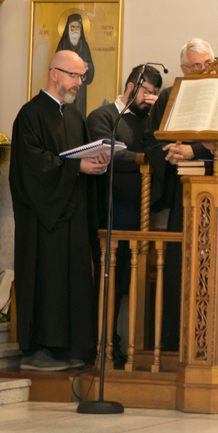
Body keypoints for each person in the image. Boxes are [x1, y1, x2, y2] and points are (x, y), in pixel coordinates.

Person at [10, 50, 110, 372]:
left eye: (82, 76)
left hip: (72, 218)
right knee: (46, 279)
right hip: (44, 221)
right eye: (74, 75)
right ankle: (39, 349)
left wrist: (95, 163)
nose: (79, 83)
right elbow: (33, 166)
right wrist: (74, 167)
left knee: (73, 279)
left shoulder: (75, 117)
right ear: (54, 74)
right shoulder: (30, 115)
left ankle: (69, 346)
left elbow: (77, 162)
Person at [86, 64, 162, 367]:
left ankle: (118, 344)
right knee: (110, 282)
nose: (151, 99)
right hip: (111, 209)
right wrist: (144, 158)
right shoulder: (103, 116)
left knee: (129, 283)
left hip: (141, 214)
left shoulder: (149, 122)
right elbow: (109, 151)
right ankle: (102, 344)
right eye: (147, 92)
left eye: (156, 93)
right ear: (131, 86)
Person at [142, 38, 216, 351]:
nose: (200, 71)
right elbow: (152, 139)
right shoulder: (170, 96)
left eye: (206, 66)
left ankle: (214, 337)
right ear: (183, 69)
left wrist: (193, 149)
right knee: (179, 264)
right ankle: (177, 336)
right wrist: (171, 151)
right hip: (181, 196)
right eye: (194, 66)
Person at [56, 14, 95, 117]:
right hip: (65, 86)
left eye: (78, 27)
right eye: (73, 27)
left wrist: (86, 64)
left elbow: (90, 65)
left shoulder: (84, 45)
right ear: (69, 28)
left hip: (80, 88)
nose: (75, 30)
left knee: (79, 113)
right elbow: (56, 64)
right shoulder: (63, 44)